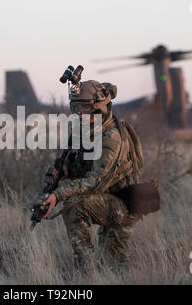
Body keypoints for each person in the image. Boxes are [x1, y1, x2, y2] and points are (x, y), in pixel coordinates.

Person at [42, 80, 144, 274]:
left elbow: (96, 181)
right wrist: (66, 170)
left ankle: (84, 275)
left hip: (124, 206)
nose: (80, 112)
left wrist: (59, 195)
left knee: (74, 207)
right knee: (113, 267)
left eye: (85, 106)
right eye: (76, 106)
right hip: (111, 199)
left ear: (99, 107)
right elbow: (86, 167)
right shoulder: (90, 131)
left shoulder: (111, 137)